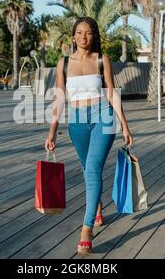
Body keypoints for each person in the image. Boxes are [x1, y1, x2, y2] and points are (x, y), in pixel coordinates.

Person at [44, 17, 134, 254]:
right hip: (77, 122)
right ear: (73, 36)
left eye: (89, 32)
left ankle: (86, 230)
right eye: (79, 32)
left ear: (94, 36)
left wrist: (124, 125)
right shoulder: (63, 63)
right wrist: (53, 130)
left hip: (103, 116)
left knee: (93, 170)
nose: (84, 36)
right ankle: (98, 206)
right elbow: (60, 97)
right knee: (87, 169)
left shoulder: (102, 60)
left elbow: (112, 94)